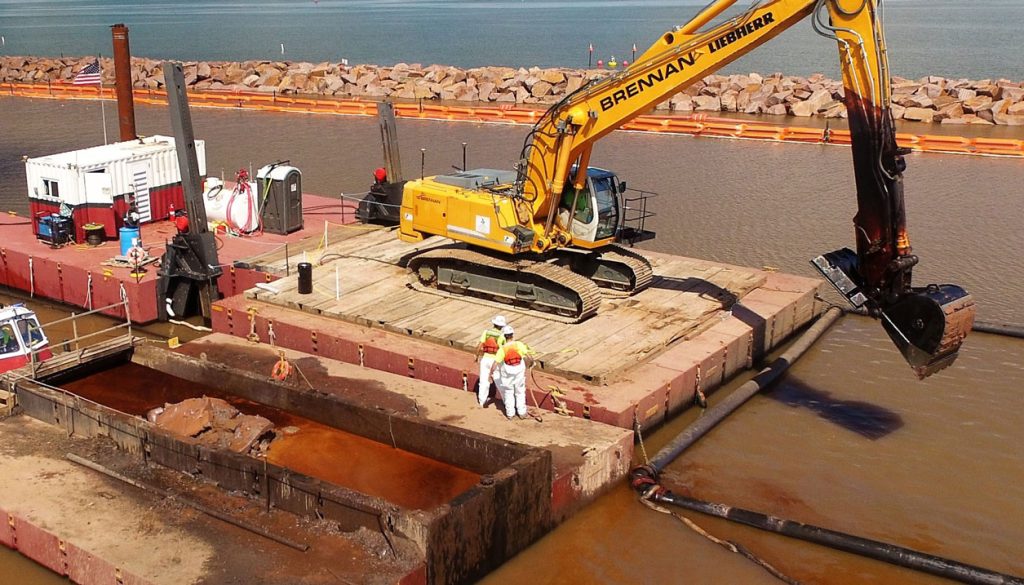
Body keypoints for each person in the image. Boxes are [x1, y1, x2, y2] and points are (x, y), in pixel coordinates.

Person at [489, 325, 533, 420]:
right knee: (520, 392)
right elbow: (529, 356)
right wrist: (531, 363)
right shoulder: (519, 345)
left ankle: (510, 414)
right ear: (512, 335)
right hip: (519, 372)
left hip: (507, 374)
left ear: (504, 336)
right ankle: (522, 412)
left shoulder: (502, 349)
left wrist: (490, 374)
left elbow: (495, 363)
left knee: (508, 393)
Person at [475, 315, 506, 406]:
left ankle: (482, 401)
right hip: (495, 360)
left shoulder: (486, 332)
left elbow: (480, 344)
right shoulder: (502, 336)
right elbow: (502, 350)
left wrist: (476, 355)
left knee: (483, 381)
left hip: (485, 358)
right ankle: (506, 401)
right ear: (502, 326)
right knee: (499, 381)